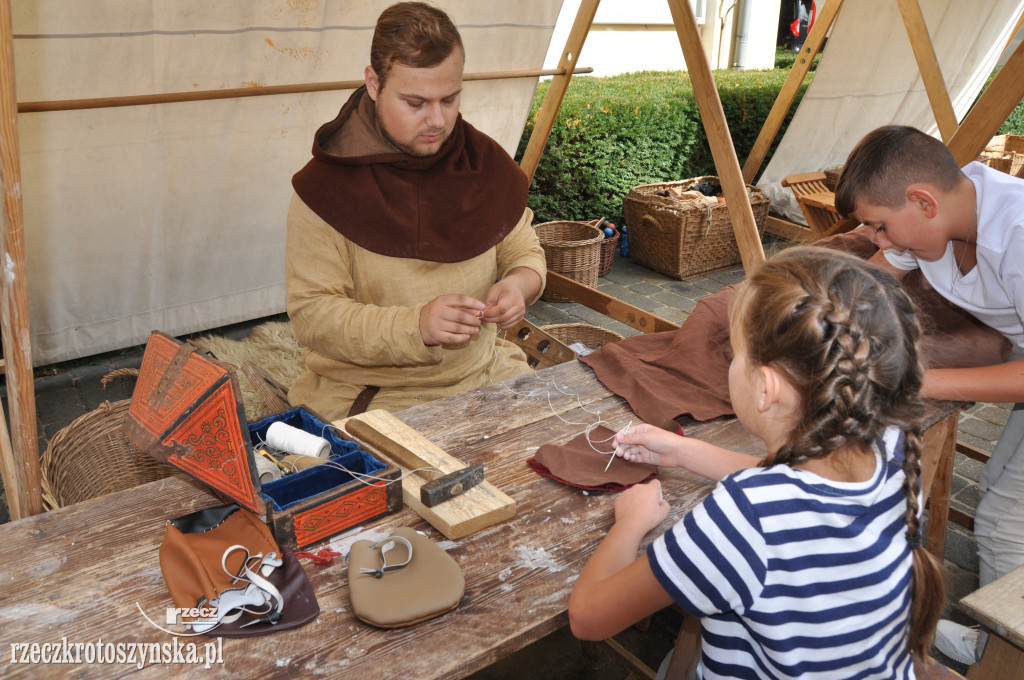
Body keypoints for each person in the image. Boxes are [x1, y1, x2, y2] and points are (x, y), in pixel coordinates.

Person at [569, 247, 945, 678]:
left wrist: (630, 523)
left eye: (734, 353)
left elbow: (589, 618)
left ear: (766, 387)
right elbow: (795, 492)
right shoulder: (890, 446)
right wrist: (683, 451)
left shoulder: (745, 516)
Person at [285, 2, 546, 420]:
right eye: (415, 102)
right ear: (373, 83)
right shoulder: (323, 188)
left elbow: (525, 253)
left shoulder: (485, 164)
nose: (438, 120)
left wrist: (519, 285)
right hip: (372, 394)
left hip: (484, 373)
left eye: (450, 98)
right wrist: (416, 326)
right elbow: (313, 316)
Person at [835, 125, 1024, 666]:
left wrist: (920, 380)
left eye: (879, 225)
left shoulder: (1017, 231)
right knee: (997, 492)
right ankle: (991, 646)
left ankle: (1004, 662)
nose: (877, 238)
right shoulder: (933, 221)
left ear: (922, 200)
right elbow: (867, 286)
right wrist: (812, 322)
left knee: (1003, 523)